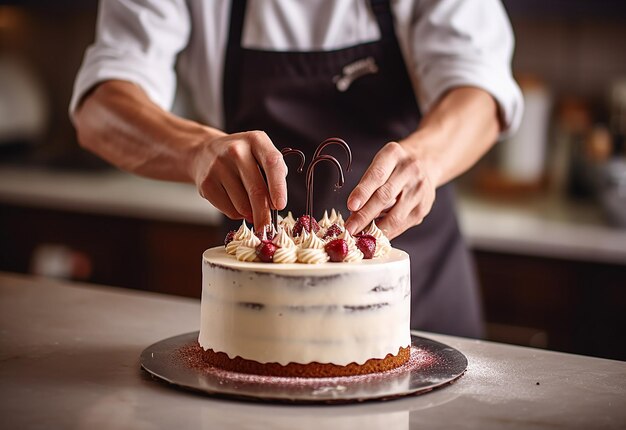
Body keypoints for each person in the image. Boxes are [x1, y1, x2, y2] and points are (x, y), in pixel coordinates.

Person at [71, 0, 522, 338]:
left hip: (419, 300)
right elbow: (99, 108)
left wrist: (430, 155)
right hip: (257, 308)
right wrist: (195, 150)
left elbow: (481, 87)